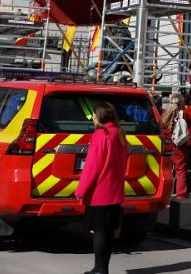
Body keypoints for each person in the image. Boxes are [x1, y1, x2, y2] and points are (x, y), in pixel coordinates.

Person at [76, 102, 130, 274]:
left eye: (93, 114)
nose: (92, 118)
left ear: (99, 116)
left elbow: (92, 166)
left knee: (99, 231)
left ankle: (99, 268)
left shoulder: (101, 135)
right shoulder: (118, 133)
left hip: (99, 192)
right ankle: (103, 267)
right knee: (108, 231)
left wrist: (81, 190)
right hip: (115, 191)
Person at [161, 91, 191, 199]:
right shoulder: (184, 113)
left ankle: (164, 193)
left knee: (165, 171)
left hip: (166, 145)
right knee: (181, 172)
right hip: (179, 146)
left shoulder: (165, 112)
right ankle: (181, 195)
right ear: (181, 103)